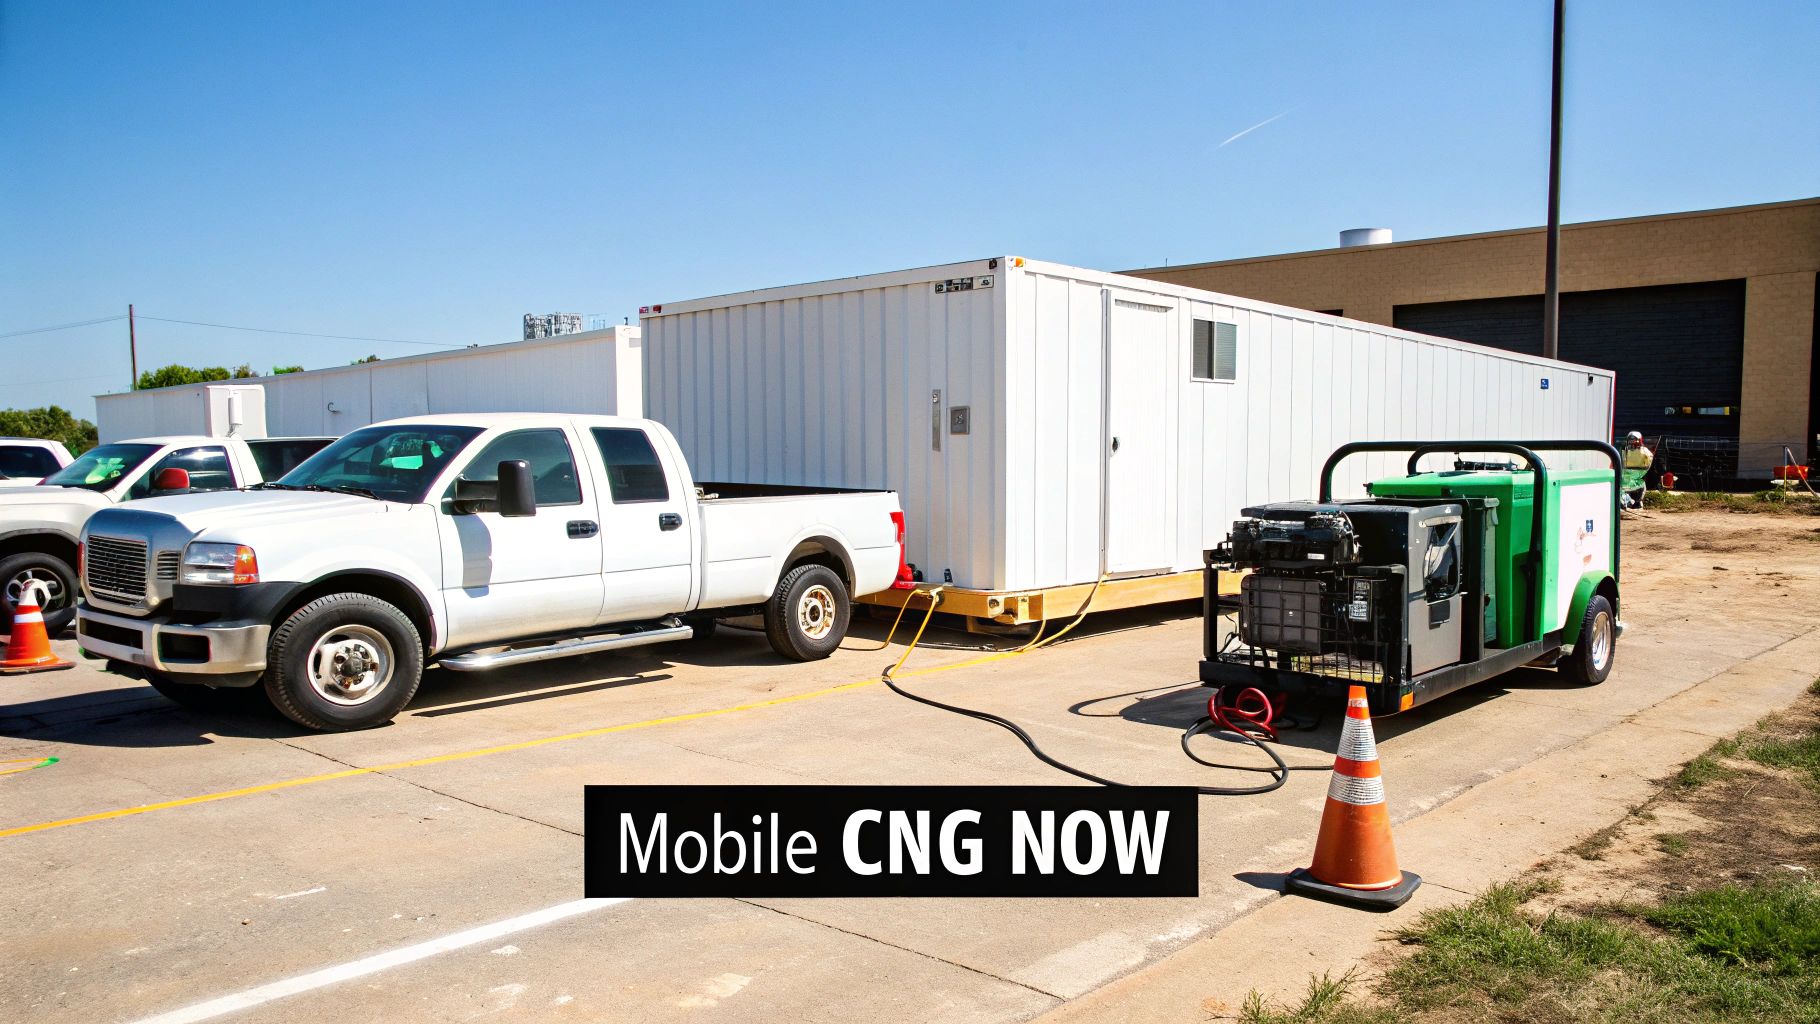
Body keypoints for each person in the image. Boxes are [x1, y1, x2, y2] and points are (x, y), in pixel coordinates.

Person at [1620, 431, 1654, 508]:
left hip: (1635, 474)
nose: (1632, 442)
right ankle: (1627, 502)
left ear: (1639, 440)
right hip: (1626, 474)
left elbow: (1649, 459)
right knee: (1638, 485)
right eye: (1630, 439)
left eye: (1634, 440)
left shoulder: (1643, 451)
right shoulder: (1624, 450)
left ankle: (1636, 502)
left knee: (1640, 484)